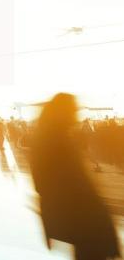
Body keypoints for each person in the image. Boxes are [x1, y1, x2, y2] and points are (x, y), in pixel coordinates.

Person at [29, 93, 120, 260]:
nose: (76, 115)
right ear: (63, 112)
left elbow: (41, 184)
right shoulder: (56, 142)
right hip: (84, 220)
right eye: (73, 110)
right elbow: (76, 185)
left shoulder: (49, 138)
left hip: (79, 221)